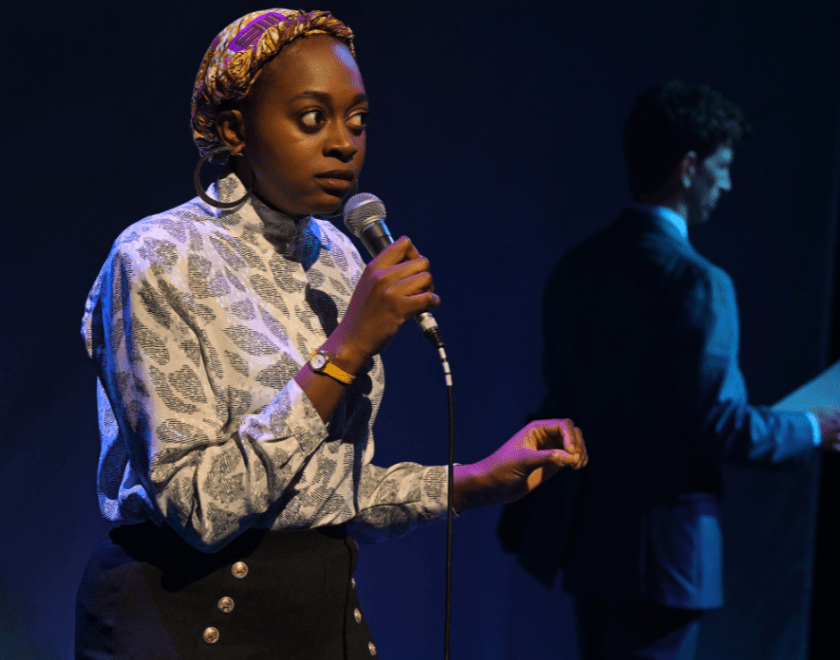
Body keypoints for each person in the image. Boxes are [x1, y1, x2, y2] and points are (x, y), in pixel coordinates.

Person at [73, 9, 587, 660]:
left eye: (358, 119)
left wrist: (476, 479)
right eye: (312, 118)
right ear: (234, 129)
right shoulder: (155, 257)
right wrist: (343, 350)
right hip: (187, 616)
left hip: (319, 613)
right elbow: (202, 507)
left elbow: (329, 486)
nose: (344, 142)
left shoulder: (342, 258)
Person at [497, 80, 840, 660]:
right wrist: (814, 427)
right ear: (688, 168)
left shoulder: (576, 268)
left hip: (589, 544)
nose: (727, 183)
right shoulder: (698, 283)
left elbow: (563, 395)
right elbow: (718, 425)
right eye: (722, 166)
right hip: (667, 560)